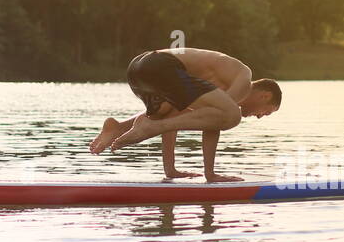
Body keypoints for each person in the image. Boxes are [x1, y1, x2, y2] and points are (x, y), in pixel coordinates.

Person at [89, 47, 281, 182]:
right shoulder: (244, 79)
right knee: (231, 116)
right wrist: (211, 174)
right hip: (161, 66)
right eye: (266, 112)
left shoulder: (212, 88)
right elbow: (217, 120)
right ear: (265, 96)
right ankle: (149, 127)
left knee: (167, 111)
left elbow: (177, 115)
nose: (258, 117)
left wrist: (170, 170)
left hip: (139, 69)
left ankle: (117, 127)